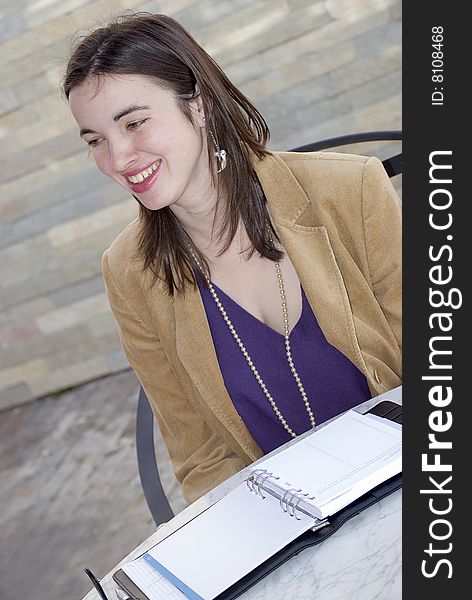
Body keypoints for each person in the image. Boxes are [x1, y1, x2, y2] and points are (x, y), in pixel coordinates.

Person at [63, 12, 402, 504]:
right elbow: (200, 460)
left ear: (196, 104)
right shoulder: (128, 273)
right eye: (95, 140)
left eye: (134, 123)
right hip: (288, 533)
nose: (117, 159)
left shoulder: (350, 191)